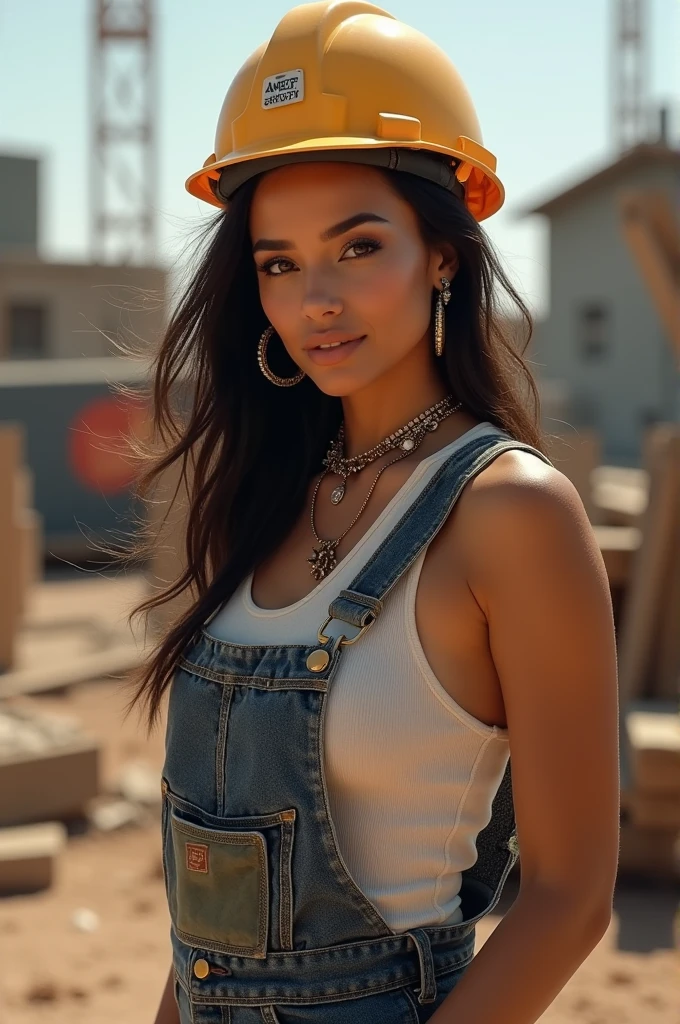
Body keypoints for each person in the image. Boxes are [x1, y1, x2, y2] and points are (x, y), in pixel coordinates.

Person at [125, 3, 620, 1022]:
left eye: (356, 247)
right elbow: (209, 926)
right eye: (278, 262)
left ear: (442, 252)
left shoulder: (509, 515)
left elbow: (570, 899)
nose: (316, 299)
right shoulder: (263, 499)